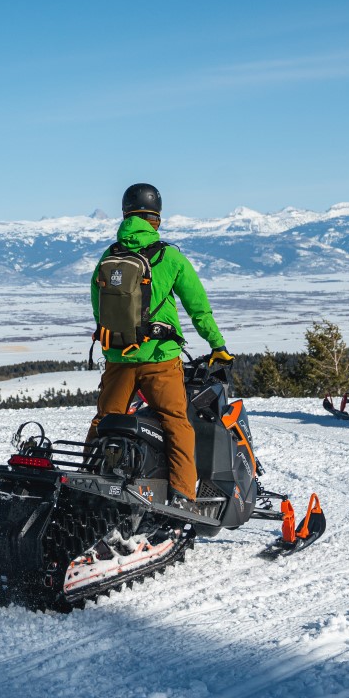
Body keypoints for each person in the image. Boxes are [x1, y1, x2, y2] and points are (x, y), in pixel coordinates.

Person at [87, 183, 232, 508]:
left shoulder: (109, 256)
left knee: (105, 419)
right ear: (157, 219)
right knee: (176, 422)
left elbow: (98, 305)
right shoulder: (169, 256)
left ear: (125, 215)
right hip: (160, 360)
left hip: (118, 359)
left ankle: (88, 480)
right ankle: (183, 496)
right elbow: (199, 308)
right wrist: (218, 345)